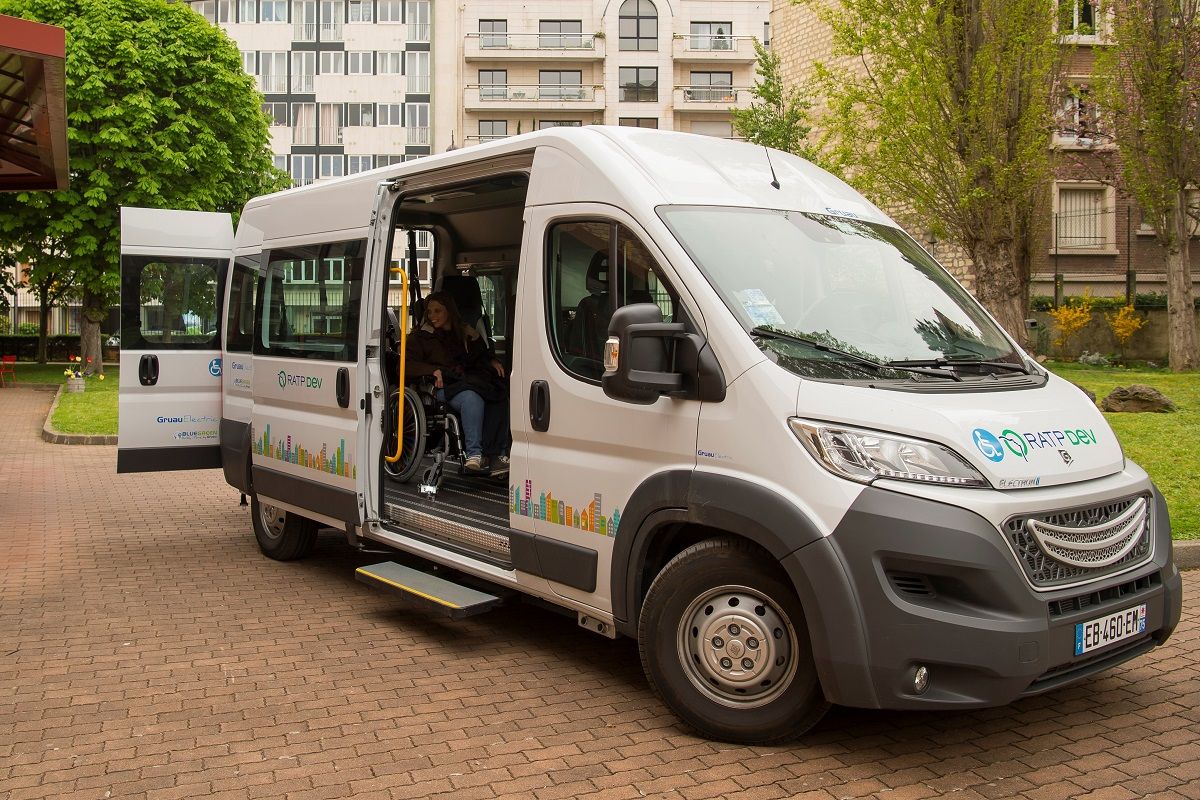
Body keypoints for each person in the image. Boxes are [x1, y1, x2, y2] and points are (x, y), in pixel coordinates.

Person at [404, 291, 509, 474]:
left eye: (438, 311)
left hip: (466, 380)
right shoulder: (420, 337)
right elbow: (406, 366)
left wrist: (485, 352)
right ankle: (474, 454)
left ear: (449, 312)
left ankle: (496, 455)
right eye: (429, 312)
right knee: (471, 398)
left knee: (498, 394)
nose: (432, 316)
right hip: (440, 387)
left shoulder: (462, 333)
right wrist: (432, 370)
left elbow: (477, 358)